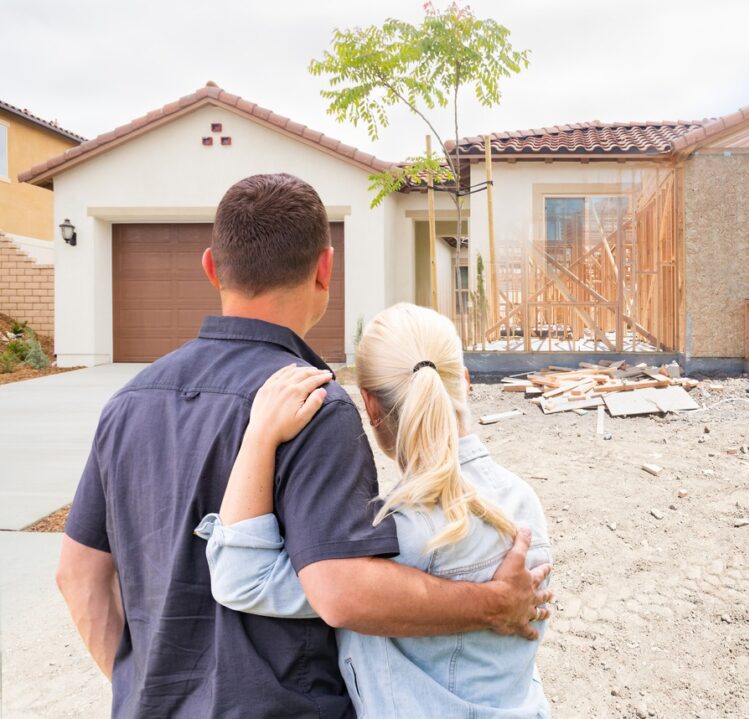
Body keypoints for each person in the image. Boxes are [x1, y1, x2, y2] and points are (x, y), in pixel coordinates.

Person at [54, 173, 552, 718]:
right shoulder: (315, 408)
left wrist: (143, 690)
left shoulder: (127, 404)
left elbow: (77, 576)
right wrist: (490, 604)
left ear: (211, 267)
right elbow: (342, 589)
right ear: (325, 268)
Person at [196, 303, 553, 717]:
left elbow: (242, 578)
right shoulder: (524, 502)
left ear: (371, 407)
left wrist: (259, 435)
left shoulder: (392, 536)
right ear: (466, 383)